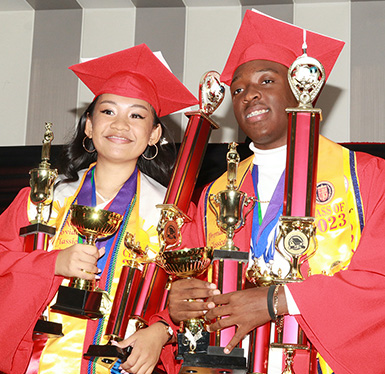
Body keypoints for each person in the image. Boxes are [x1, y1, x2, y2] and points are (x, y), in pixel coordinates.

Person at [136, 10, 385, 374]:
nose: (249, 94)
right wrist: (179, 308)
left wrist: (279, 301)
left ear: (301, 88)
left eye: (266, 80)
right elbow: (201, 286)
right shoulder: (214, 195)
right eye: (237, 90)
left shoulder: (365, 176)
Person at [0, 43, 197, 374]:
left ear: (154, 134)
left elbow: (191, 294)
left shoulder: (173, 213)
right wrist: (52, 263)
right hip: (38, 362)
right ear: (89, 127)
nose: (120, 125)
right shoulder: (42, 200)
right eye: (108, 112)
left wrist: (161, 333)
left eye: (137, 115)